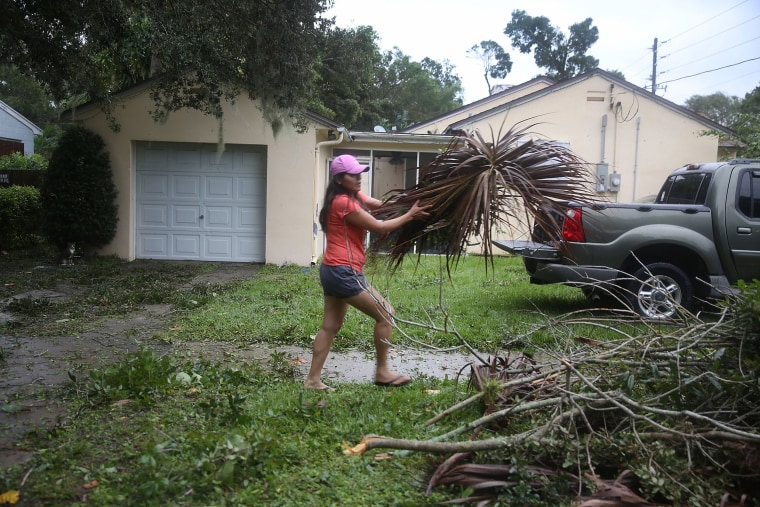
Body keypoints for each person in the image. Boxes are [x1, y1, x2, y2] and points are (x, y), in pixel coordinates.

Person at [304, 154, 431, 391]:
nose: (359, 178)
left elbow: (382, 207)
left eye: (360, 173)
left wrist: (410, 204)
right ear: (340, 179)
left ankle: (312, 380)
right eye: (353, 174)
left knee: (330, 326)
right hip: (343, 271)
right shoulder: (344, 203)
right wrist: (411, 215)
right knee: (386, 313)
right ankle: (382, 371)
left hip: (332, 270)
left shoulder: (352, 197)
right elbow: (379, 227)